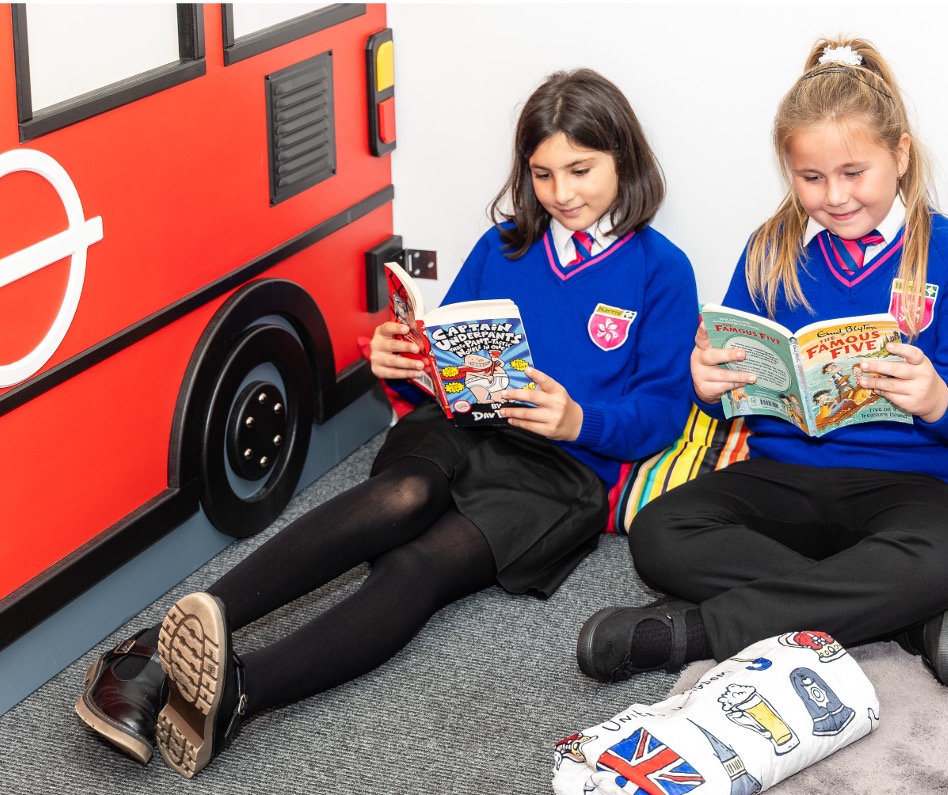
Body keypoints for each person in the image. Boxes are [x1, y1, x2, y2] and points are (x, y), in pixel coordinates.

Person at [75, 68, 700, 777]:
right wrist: (400, 361)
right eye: (543, 174)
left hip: (559, 471)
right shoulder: (504, 247)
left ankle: (240, 694)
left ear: (624, 157)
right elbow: (448, 347)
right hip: (461, 428)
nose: (562, 193)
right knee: (406, 495)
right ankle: (151, 650)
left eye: (580, 170)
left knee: (418, 566)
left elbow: (660, 416)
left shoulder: (661, 270)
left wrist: (578, 418)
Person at [576, 36, 948, 689]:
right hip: (783, 475)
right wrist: (709, 384)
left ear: (898, 154)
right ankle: (898, 619)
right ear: (789, 170)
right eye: (810, 178)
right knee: (659, 530)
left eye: (852, 173)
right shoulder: (770, 248)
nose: (833, 196)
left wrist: (935, 396)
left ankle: (691, 632)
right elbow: (726, 381)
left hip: (905, 485)